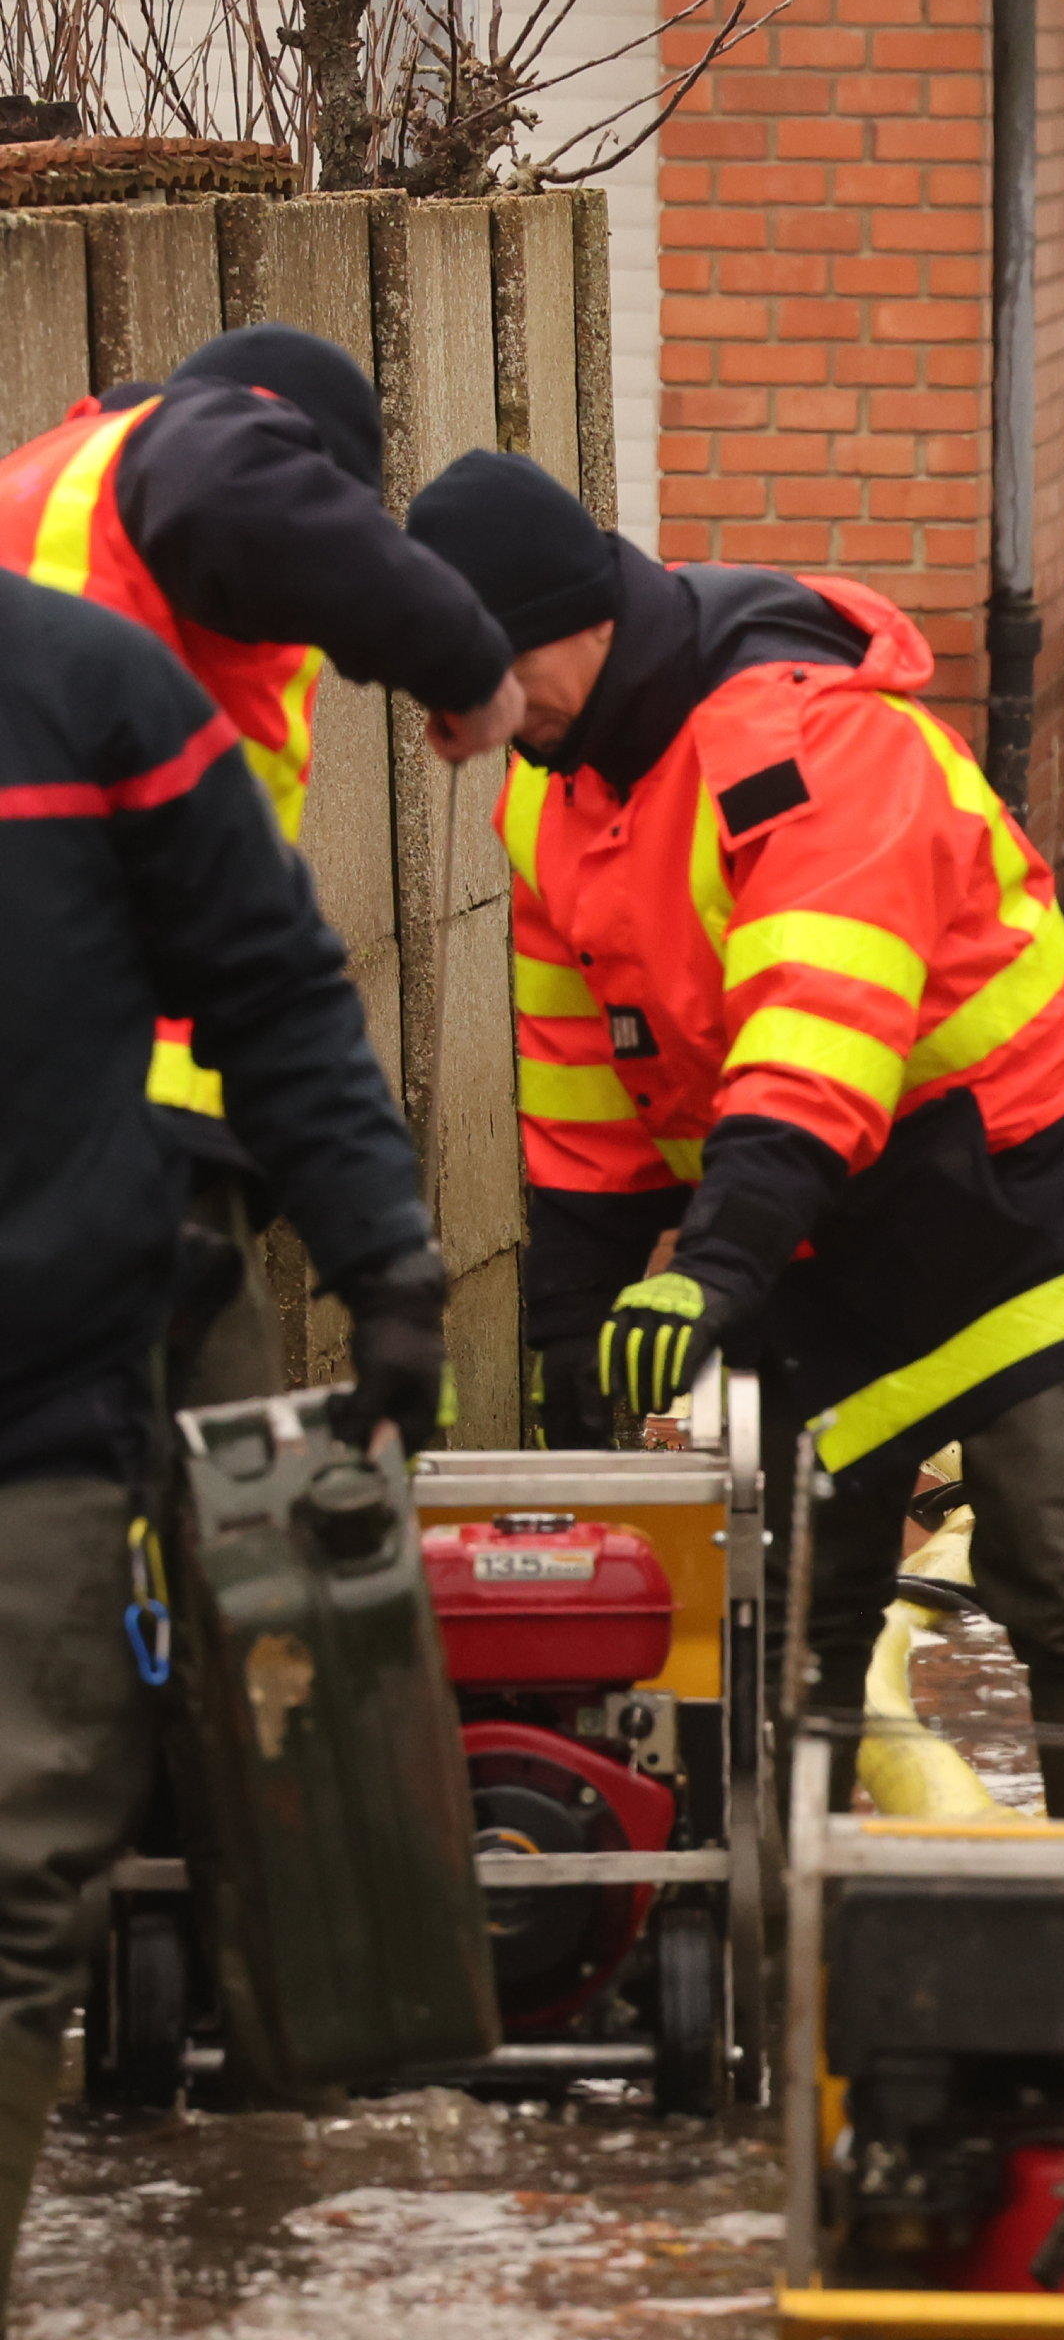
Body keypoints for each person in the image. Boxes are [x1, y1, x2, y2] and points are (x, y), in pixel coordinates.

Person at [400, 449, 1064, 1818]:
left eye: (462, 680)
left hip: (1009, 1190)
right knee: (793, 1604)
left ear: (559, 626)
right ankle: (778, 1960)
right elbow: (585, 1077)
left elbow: (820, 1035)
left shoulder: (810, 743)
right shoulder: (550, 783)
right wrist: (574, 1344)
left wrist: (714, 1266)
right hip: (809, 1205)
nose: (446, 728)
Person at [0, 567, 445, 2303]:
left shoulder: (93, 696)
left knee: (22, 1878)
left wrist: (386, 1267)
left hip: (42, 1401)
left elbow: (271, 991)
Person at [0, 323, 523, 1409]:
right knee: (209, 1490)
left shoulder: (49, 480)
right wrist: (467, 664)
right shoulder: (196, 448)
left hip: (52, 1082)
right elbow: (235, 491)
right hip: (127, 1111)